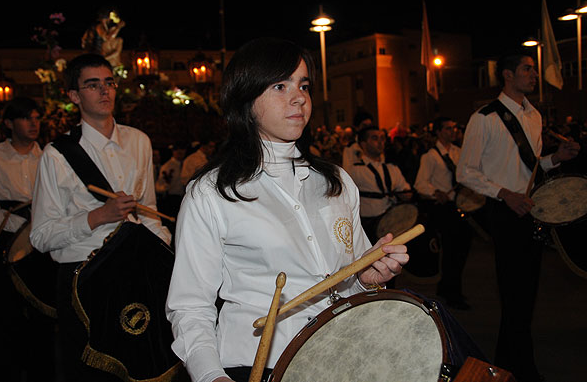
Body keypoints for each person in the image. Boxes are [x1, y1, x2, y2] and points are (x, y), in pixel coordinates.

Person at [166, 38, 408, 382]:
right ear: (246, 100)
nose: (299, 98)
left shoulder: (336, 181)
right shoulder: (211, 193)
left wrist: (367, 281)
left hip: (344, 355)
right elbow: (190, 306)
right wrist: (210, 376)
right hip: (258, 364)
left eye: (304, 85)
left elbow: (347, 281)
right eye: (280, 85)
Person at [30, 53, 171, 381]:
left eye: (109, 83)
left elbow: (150, 213)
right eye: (92, 85)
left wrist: (160, 249)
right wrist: (97, 217)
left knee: (142, 366)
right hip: (84, 277)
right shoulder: (57, 154)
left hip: (136, 273)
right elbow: (41, 236)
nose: (104, 91)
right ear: (74, 96)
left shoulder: (139, 141)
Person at [457, 52, 580, 382]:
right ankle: (523, 369)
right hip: (504, 210)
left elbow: (532, 168)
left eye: (534, 70)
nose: (534, 75)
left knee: (525, 295)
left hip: (529, 207)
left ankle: (506, 361)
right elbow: (465, 172)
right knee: (514, 293)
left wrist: (556, 158)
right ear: (508, 74)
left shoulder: (535, 115)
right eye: (528, 69)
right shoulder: (484, 117)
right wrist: (504, 194)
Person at [0, 97, 55, 382]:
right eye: (26, 117)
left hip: (42, 244)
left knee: (43, 319)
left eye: (37, 117)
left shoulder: (50, 158)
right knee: (5, 319)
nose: (33, 123)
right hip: (6, 241)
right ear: (8, 123)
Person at [415, 116, 472, 309]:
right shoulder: (430, 156)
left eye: (454, 128)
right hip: (443, 209)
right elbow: (420, 183)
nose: (452, 132)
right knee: (450, 252)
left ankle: (450, 287)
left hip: (460, 205)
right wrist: (435, 192)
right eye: (448, 129)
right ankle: (451, 292)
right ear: (438, 132)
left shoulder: (459, 152)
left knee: (461, 251)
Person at [344, 124, 412, 245]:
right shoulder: (354, 171)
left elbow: (406, 190)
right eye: (375, 138)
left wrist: (405, 195)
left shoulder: (392, 168)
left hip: (393, 223)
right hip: (368, 226)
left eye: (382, 138)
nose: (380, 142)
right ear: (363, 144)